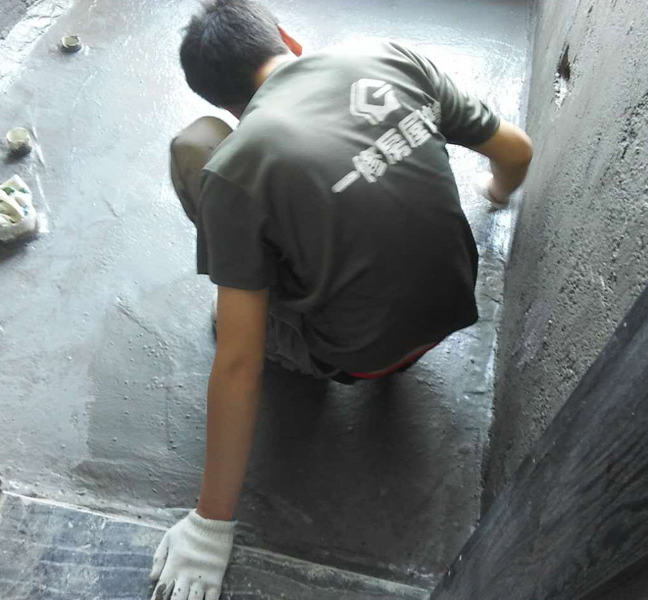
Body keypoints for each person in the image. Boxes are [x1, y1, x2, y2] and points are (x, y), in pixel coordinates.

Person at [152, 0, 533, 597]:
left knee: (194, 148)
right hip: (452, 304)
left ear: (225, 103)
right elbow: (517, 152)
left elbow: (239, 365)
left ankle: (264, 302)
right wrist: (496, 192)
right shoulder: (387, 56)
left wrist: (210, 526)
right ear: (287, 38)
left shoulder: (236, 166)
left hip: (360, 357)